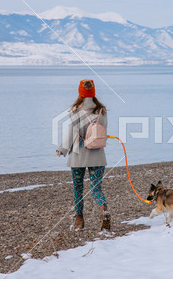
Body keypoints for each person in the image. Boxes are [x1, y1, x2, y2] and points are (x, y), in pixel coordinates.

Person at [56, 79, 110, 231]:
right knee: (96, 188)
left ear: (80, 93)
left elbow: (72, 133)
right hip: (98, 155)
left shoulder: (76, 111)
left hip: (78, 155)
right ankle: (103, 209)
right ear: (93, 93)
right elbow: (103, 130)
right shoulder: (102, 111)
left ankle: (79, 220)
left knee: (78, 188)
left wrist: (62, 149)